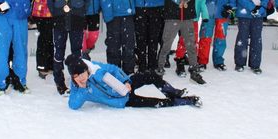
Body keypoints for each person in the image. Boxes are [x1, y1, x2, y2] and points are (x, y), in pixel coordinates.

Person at [138, 0, 227, 84]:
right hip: (171, 19)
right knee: (166, 46)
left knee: (191, 46)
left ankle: (194, 71)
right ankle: (159, 69)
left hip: (188, 19)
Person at [65, 55, 201, 110]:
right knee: (155, 103)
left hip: (125, 86)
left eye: (81, 74)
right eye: (76, 76)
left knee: (150, 75)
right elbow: (73, 105)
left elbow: (114, 69)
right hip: (123, 101)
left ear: (86, 69)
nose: (80, 78)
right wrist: (82, 88)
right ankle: (187, 101)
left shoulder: (96, 68)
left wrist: (125, 81)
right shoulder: (77, 87)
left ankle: (174, 92)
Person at [46, 0, 92, 95]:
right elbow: (50, 1)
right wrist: (58, 13)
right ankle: (59, 82)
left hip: (77, 20)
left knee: (76, 52)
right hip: (60, 20)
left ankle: (76, 79)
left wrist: (79, 12)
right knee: (58, 52)